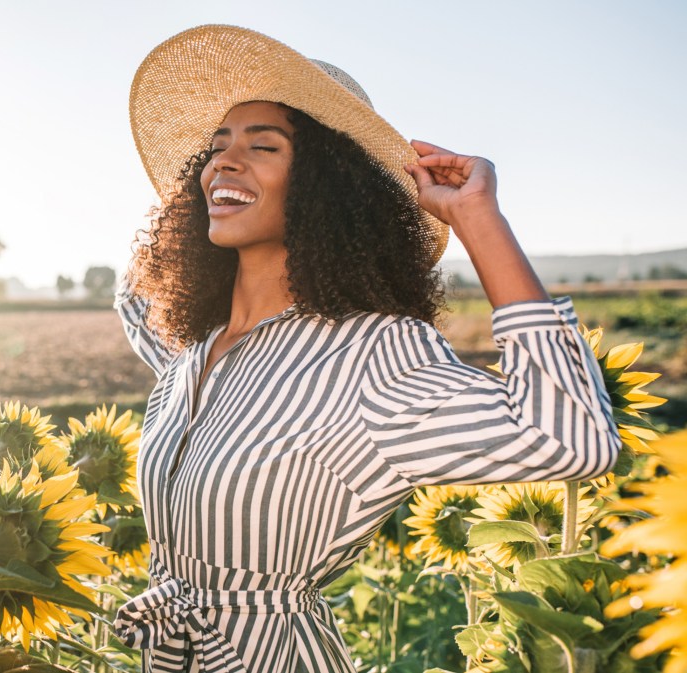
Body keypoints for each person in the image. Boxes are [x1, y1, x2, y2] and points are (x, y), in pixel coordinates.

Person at [110, 24, 620, 673]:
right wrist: (180, 230)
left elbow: (575, 437)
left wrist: (478, 220)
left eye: (263, 145)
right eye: (213, 149)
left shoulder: (372, 355)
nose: (223, 162)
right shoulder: (191, 353)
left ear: (330, 186)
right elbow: (135, 296)